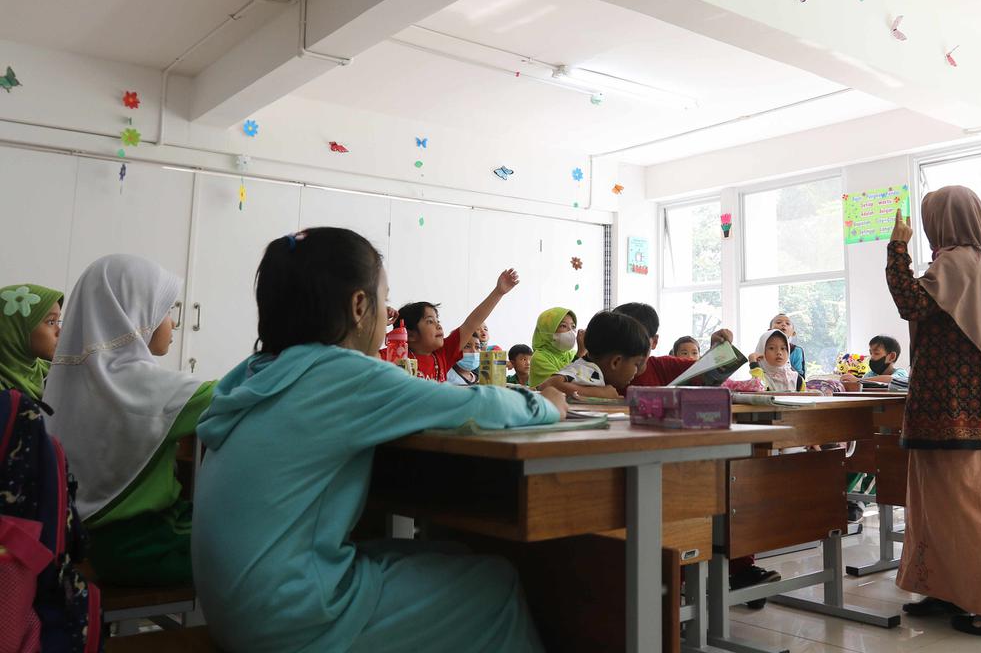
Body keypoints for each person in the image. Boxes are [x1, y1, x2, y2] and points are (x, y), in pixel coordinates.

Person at [191, 227, 566, 653]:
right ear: (358, 306)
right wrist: (547, 404)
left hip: (229, 609)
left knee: (445, 554)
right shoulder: (342, 372)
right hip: (289, 619)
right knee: (495, 583)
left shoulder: (254, 372)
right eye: (384, 299)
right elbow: (476, 407)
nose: (388, 312)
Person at [884, 188, 981, 639]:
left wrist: (897, 247)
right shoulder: (971, 262)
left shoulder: (957, 261)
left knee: (964, 509)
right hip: (951, 410)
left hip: (955, 410)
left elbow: (911, 303)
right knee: (935, 506)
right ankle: (945, 588)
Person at [44, 255, 215, 587]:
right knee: (253, 546)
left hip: (79, 540)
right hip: (145, 547)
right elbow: (241, 394)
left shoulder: (63, 381)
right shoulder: (147, 386)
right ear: (136, 314)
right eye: (167, 310)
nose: (174, 323)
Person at [396, 269, 520, 382]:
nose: (439, 326)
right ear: (410, 335)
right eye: (429, 321)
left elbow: (471, 324)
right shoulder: (393, 357)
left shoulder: (442, 354)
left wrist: (498, 292)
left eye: (437, 321)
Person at [610, 302, 732, 393]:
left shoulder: (664, 366)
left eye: (639, 340)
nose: (630, 347)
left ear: (654, 342)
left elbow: (704, 372)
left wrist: (716, 348)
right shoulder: (604, 367)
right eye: (621, 340)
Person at [538, 312, 650, 399]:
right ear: (616, 362)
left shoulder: (591, 370)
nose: (637, 371)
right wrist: (601, 393)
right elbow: (548, 385)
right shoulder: (588, 371)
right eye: (636, 364)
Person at [0, 283, 62, 399]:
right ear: (15, 329)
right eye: (51, 322)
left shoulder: (53, 373)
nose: (60, 331)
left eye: (58, 322)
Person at [528, 308, 580, 387]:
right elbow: (562, 386)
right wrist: (580, 354)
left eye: (573, 326)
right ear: (547, 331)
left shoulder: (572, 354)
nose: (570, 331)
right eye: (563, 326)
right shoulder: (539, 358)